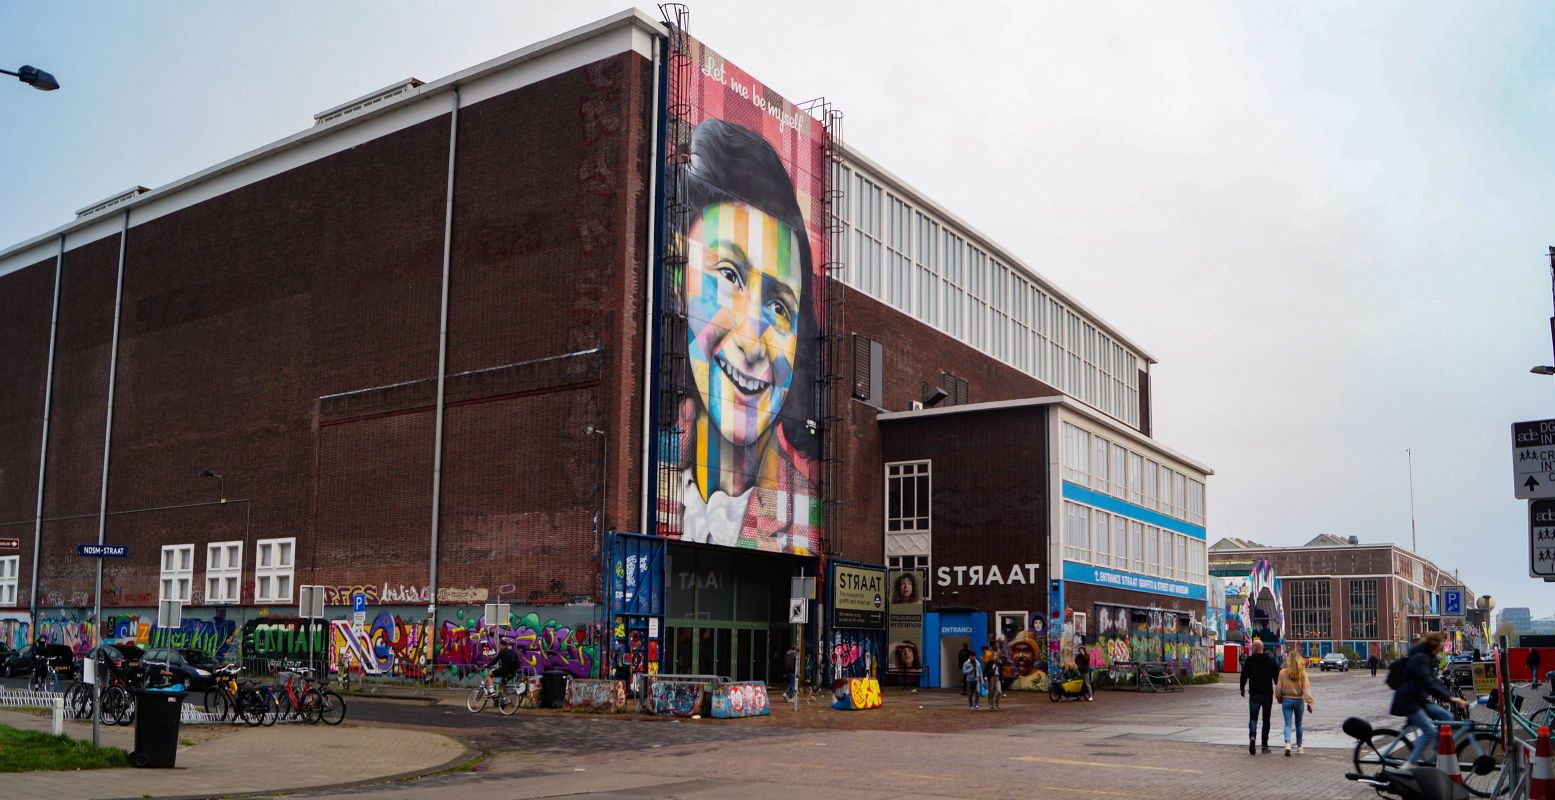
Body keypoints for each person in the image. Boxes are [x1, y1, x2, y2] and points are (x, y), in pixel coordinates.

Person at [669, 118, 822, 553]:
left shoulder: (801, 521)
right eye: (730, 275)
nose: (753, 343)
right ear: (679, 282)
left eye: (779, 307)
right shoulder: (650, 464)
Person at [1391, 632, 1470, 765]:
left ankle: (1437, 750)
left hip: (1419, 700)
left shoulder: (1427, 657)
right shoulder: (1420, 659)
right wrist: (1453, 699)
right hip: (1409, 702)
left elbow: (1435, 682)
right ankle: (1408, 767)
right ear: (1434, 646)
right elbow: (1430, 683)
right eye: (1441, 646)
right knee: (1429, 731)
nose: (1441, 649)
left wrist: (1453, 697)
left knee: (1446, 717)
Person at [1240, 639, 1279, 755]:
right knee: (1266, 720)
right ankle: (1264, 745)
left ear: (1254, 648)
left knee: (1253, 718)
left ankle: (1252, 737)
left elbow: (1243, 676)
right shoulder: (1270, 660)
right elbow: (1276, 677)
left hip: (1254, 693)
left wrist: (1242, 688)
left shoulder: (1249, 660)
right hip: (1267, 694)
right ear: (1262, 648)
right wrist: (1279, 690)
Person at [1277, 651, 1314, 756]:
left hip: (1286, 700)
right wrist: (1309, 702)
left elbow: (1278, 688)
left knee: (1287, 724)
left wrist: (1279, 698)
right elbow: (1306, 689)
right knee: (1299, 724)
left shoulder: (1282, 672)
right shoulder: (1302, 673)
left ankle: (1288, 744)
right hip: (1298, 701)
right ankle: (1299, 746)